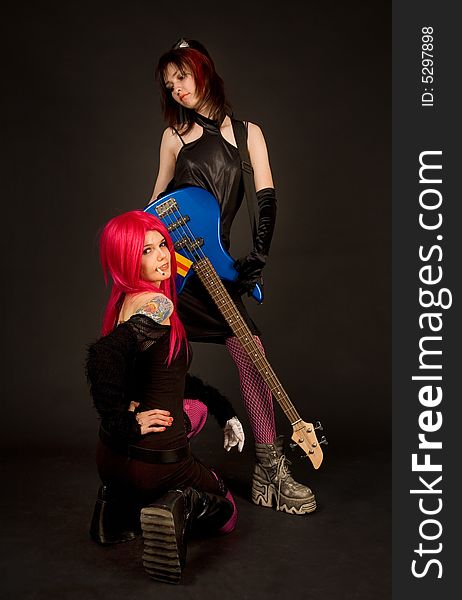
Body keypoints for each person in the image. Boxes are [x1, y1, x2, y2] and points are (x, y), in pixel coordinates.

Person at [150, 38, 316, 515]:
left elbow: (266, 198)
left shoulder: (248, 134)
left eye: (182, 76)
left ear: (202, 70)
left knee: (252, 354)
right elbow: (155, 205)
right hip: (177, 270)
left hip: (215, 267)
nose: (177, 89)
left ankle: (269, 470)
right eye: (169, 84)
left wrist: (257, 257)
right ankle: (153, 464)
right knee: (156, 350)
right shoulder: (173, 137)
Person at [86, 210, 243, 584]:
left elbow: (171, 378)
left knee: (197, 408)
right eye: (146, 250)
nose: (162, 256)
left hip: (111, 459)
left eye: (162, 245)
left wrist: (224, 410)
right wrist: (125, 419)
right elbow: (101, 358)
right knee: (228, 509)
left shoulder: (125, 303)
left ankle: (113, 512)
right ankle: (181, 502)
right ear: (125, 258)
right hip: (154, 463)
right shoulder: (159, 306)